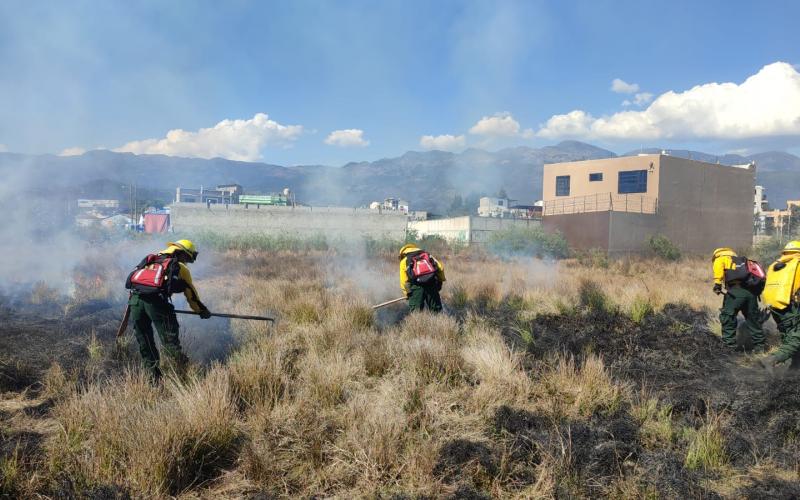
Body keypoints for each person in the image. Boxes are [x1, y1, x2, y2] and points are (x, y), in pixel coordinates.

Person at [125, 239, 211, 381]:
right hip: (157, 304)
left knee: (145, 341)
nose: (187, 262)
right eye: (188, 258)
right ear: (182, 254)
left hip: (135, 302)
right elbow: (191, 295)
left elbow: (132, 282)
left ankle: (153, 378)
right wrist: (202, 311)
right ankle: (187, 373)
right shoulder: (179, 267)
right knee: (170, 343)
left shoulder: (149, 259)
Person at [711, 247, 765, 350]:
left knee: (728, 318)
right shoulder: (744, 261)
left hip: (735, 293)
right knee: (753, 319)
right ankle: (760, 346)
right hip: (751, 294)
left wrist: (717, 285)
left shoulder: (721, 258)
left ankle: (729, 346)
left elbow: (718, 272)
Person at [759, 241, 800, 374]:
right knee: (796, 338)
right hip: (792, 308)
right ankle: (771, 360)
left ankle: (794, 368)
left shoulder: (776, 265)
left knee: (790, 336)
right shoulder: (797, 264)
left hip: (775, 307)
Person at [399, 244, 446, 313]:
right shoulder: (428, 256)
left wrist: (407, 293)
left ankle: (419, 323)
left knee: (416, 312)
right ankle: (438, 323)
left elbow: (404, 281)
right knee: (436, 310)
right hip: (431, 284)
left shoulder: (404, 261)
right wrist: (440, 282)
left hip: (416, 288)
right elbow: (440, 268)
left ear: (403, 253)